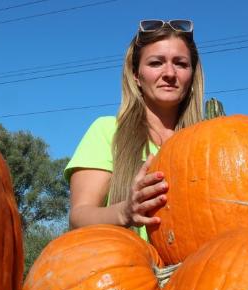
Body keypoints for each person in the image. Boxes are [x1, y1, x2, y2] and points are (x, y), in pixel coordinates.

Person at [64, 19, 202, 240]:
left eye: (181, 64)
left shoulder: (207, 144)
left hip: (196, 270)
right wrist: (124, 211)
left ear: (192, 76)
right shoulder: (107, 131)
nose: (169, 73)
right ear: (136, 75)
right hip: (127, 268)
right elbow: (78, 216)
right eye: (156, 63)